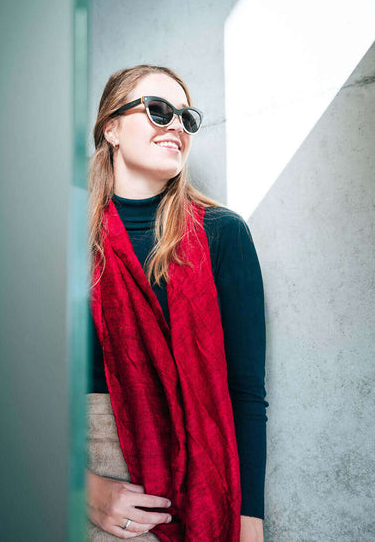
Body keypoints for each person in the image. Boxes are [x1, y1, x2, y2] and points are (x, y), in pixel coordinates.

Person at [86, 64, 269, 541]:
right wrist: (82, 490)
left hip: (201, 487)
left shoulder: (222, 234)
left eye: (187, 118)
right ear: (111, 128)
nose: (176, 127)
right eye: (159, 111)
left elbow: (245, 392)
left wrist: (249, 524)